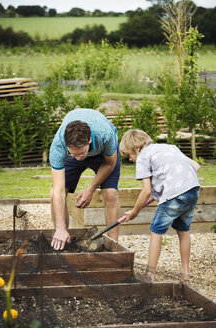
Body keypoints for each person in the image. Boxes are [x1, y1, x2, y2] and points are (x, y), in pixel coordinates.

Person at [119, 129, 200, 283]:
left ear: (136, 148)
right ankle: (185, 273)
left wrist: (135, 212)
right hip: (193, 191)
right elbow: (195, 166)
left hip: (174, 195)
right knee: (183, 231)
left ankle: (149, 275)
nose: (130, 159)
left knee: (156, 231)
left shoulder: (143, 156)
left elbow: (146, 191)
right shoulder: (170, 148)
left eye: (129, 155)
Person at [49, 108, 121, 250]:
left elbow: (110, 163)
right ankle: (63, 237)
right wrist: (60, 227)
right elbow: (58, 191)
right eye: (74, 153)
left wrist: (90, 189)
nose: (79, 158)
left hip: (102, 156)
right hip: (76, 148)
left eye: (81, 153)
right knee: (53, 193)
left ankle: (113, 246)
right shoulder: (58, 146)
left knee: (110, 194)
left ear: (89, 140)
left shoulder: (105, 135)